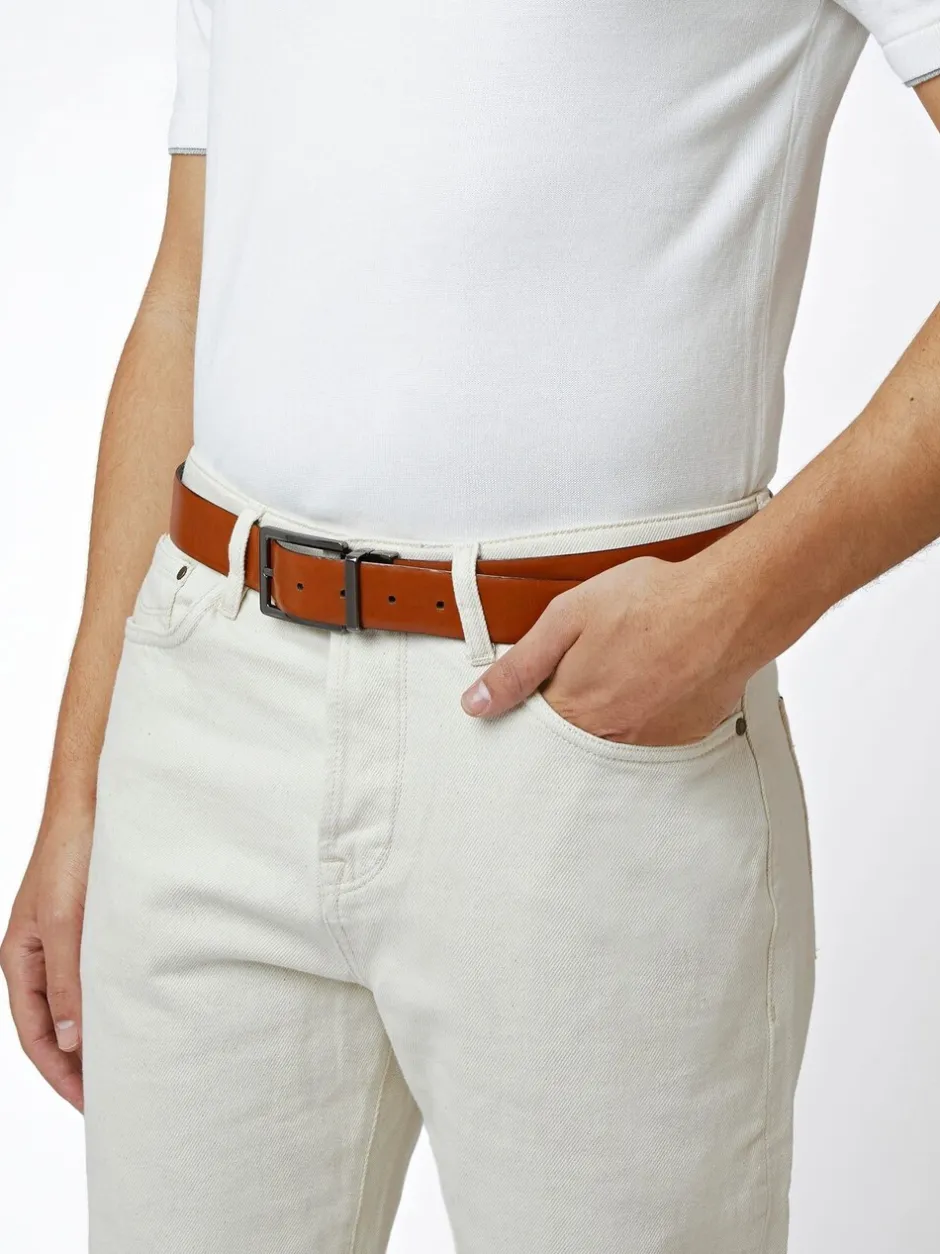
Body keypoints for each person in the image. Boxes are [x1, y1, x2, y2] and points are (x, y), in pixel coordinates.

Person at [4, 2, 940, 1250]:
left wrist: (727, 610)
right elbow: (190, 282)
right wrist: (80, 790)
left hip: (581, 747)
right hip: (206, 720)